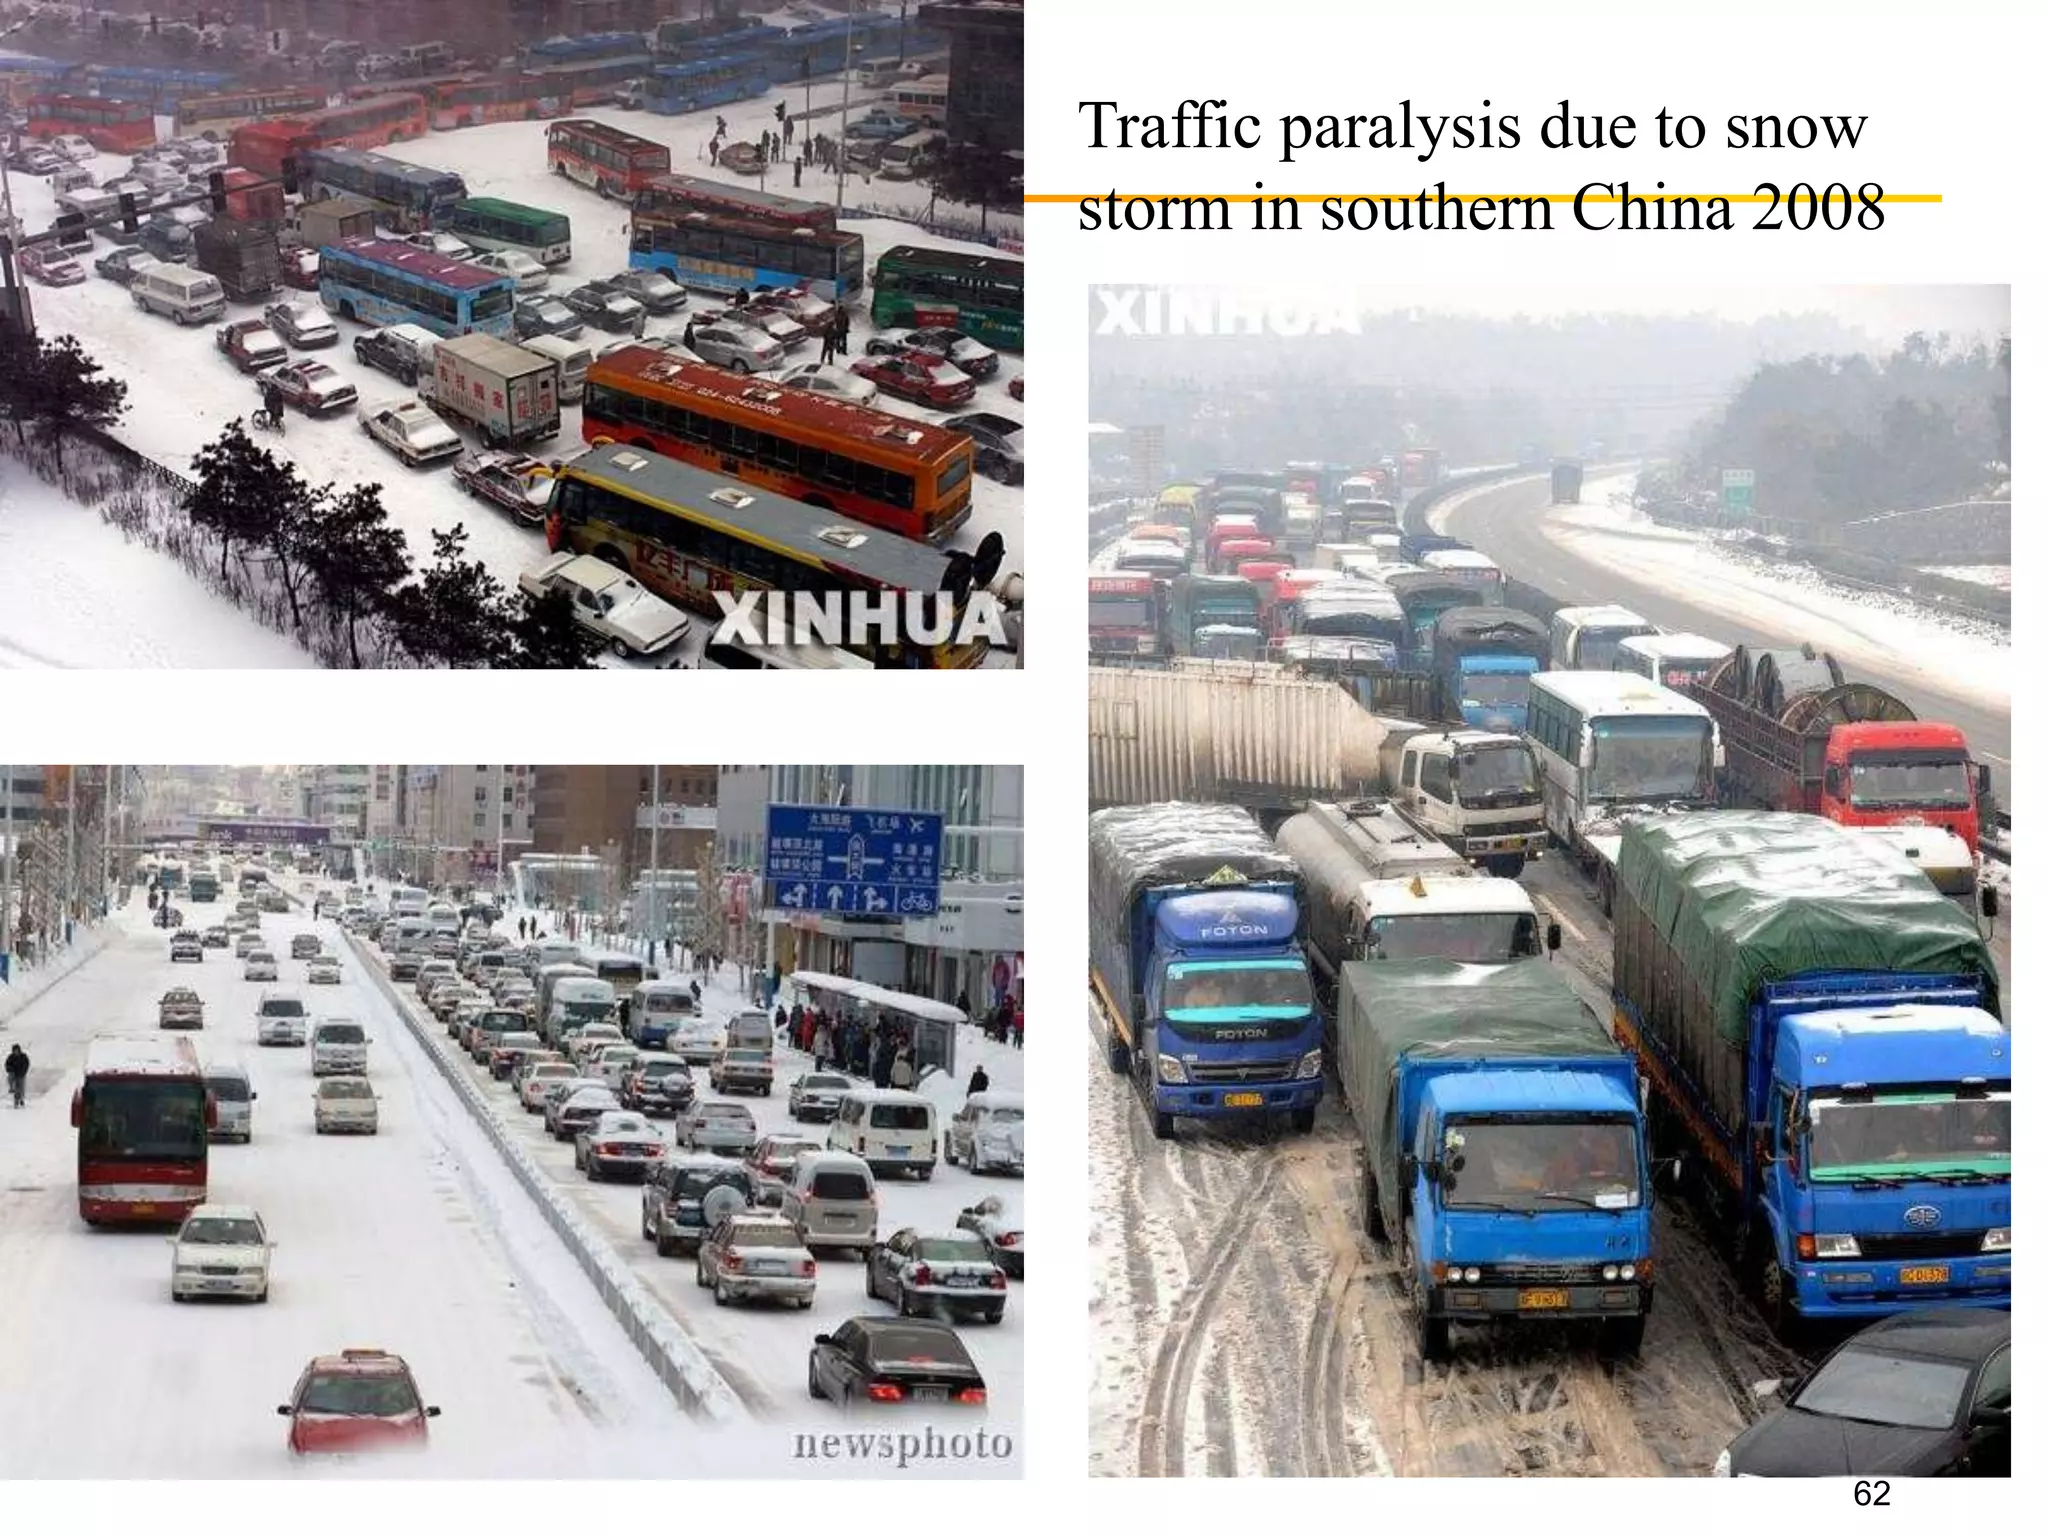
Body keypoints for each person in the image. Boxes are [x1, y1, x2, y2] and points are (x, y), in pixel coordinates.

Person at [5, 1043, 28, 1108]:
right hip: (14, 1075)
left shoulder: (23, 1056)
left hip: (21, 1074)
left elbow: (26, 1064)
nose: (16, 1051)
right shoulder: (11, 1057)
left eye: (17, 1050)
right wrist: (10, 1070)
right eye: (15, 1050)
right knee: (16, 1088)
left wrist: (23, 1071)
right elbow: (7, 1065)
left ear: (19, 1050)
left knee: (21, 1088)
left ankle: (22, 1099)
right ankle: (16, 1101)